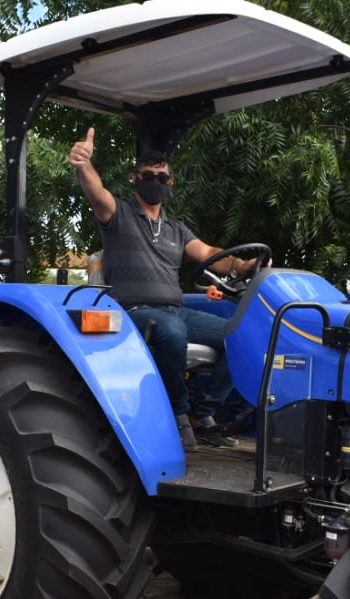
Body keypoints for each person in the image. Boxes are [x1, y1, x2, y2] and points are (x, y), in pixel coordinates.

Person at [68, 127, 257, 451]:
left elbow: (211, 255)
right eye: (148, 175)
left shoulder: (176, 229)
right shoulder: (119, 215)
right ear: (135, 178)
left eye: (162, 177)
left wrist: (242, 266)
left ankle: (204, 411)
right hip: (133, 311)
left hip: (175, 310)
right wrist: (84, 165)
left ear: (170, 184)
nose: (155, 181)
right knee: (171, 331)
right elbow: (97, 193)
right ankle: (178, 414)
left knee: (240, 333)